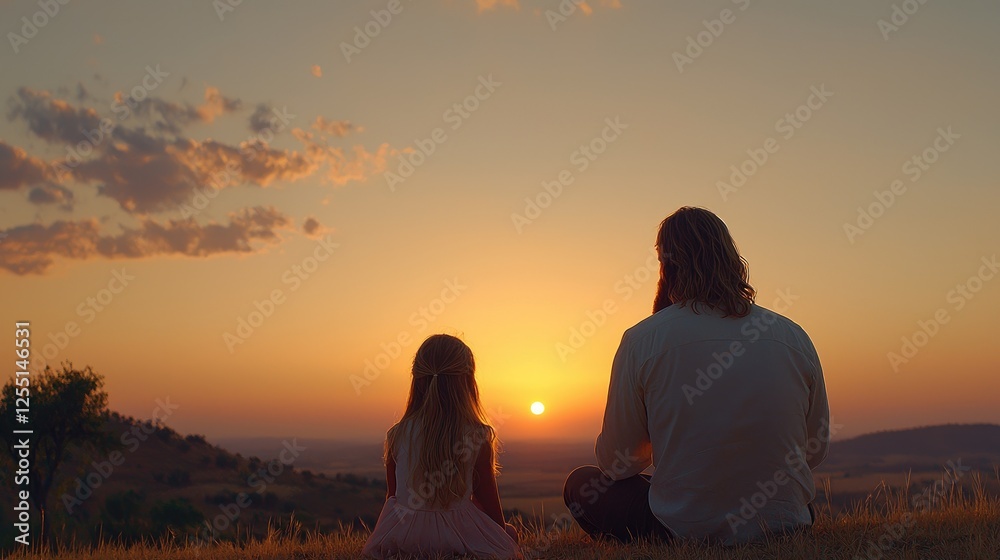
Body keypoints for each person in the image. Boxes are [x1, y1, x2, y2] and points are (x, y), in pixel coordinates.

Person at [564, 206, 832, 545]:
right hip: (785, 524)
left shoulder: (643, 339)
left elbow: (618, 465)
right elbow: (814, 451)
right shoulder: (792, 335)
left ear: (666, 266)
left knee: (580, 483)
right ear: (732, 258)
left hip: (685, 532)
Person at [363, 334, 521, 559]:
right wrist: (500, 535)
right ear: (468, 383)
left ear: (417, 380)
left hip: (403, 536)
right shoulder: (477, 435)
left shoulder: (397, 434)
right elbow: (491, 510)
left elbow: (393, 497)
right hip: (455, 539)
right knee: (510, 533)